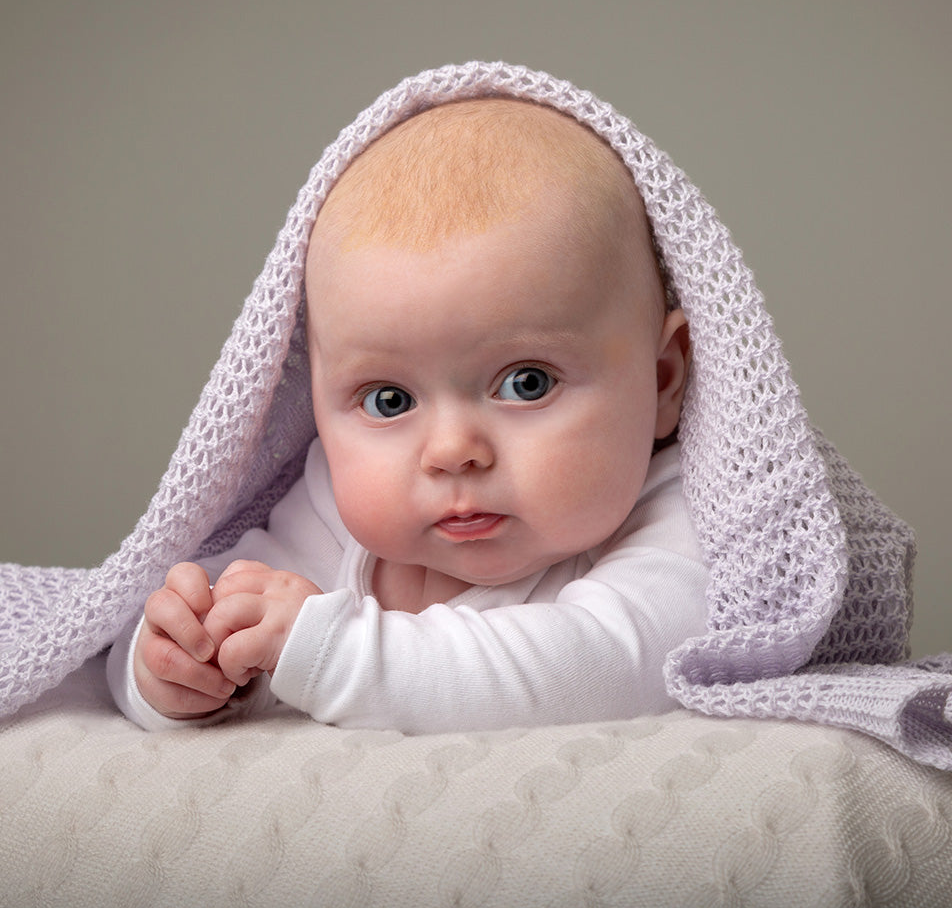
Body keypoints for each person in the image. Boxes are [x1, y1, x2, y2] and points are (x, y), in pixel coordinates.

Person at [107, 98, 711, 731]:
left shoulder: (687, 520)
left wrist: (333, 655)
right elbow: (236, 610)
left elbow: (605, 670)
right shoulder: (334, 511)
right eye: (388, 400)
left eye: (526, 383)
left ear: (663, 379)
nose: (452, 450)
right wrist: (182, 661)